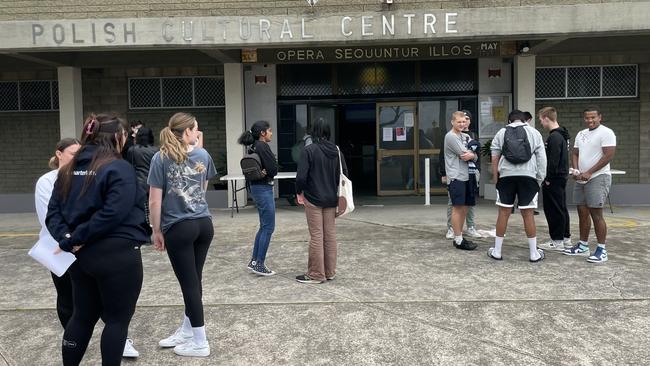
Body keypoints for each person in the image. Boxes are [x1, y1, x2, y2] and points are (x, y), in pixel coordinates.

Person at [46, 114, 149, 365]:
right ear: (118, 137)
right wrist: (77, 238)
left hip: (81, 256)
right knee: (116, 319)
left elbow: (53, 213)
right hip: (116, 252)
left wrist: (68, 240)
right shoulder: (118, 166)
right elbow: (114, 211)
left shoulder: (69, 168)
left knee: (82, 316)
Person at [148, 112, 217, 357]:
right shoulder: (203, 154)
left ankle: (200, 341)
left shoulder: (161, 158)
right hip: (203, 223)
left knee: (189, 283)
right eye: (195, 129)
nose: (198, 133)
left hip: (179, 226)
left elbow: (155, 201)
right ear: (186, 131)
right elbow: (203, 188)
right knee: (194, 280)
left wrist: (156, 230)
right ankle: (188, 331)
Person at [488, 110, 547, 262]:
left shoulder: (501, 133)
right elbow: (542, 159)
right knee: (528, 214)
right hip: (528, 177)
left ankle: (497, 251)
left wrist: (496, 178)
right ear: (525, 121)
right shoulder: (534, 133)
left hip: (506, 177)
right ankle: (534, 254)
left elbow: (494, 158)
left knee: (503, 213)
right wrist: (538, 179)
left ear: (509, 121)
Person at [294, 119, 348, 284]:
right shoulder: (337, 151)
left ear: (313, 131)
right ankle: (330, 272)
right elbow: (344, 172)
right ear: (328, 131)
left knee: (316, 236)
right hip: (331, 199)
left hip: (313, 198)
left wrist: (298, 193)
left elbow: (301, 177)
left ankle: (316, 274)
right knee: (330, 236)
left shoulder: (308, 150)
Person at [35, 138, 80, 328]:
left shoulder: (85, 177)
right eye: (72, 154)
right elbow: (49, 216)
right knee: (66, 296)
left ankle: (121, 337)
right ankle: (70, 337)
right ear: (59, 154)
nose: (77, 158)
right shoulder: (47, 181)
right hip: (59, 247)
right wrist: (71, 239)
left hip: (85, 244)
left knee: (101, 294)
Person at [563, 106, 616, 263]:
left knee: (596, 213)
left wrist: (590, 172)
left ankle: (601, 249)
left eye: (593, 117)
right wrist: (576, 170)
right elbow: (575, 153)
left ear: (600, 117)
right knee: (582, 212)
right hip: (581, 178)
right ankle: (583, 245)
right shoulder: (581, 134)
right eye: (587, 118)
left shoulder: (606, 133)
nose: (590, 120)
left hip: (598, 177)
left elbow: (608, 155)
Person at [238, 120, 278, 276]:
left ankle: (254, 261)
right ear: (263, 133)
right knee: (268, 227)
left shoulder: (253, 146)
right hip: (263, 189)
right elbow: (273, 169)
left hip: (255, 187)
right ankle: (259, 264)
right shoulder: (263, 146)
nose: (271, 133)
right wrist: (270, 168)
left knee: (263, 226)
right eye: (270, 130)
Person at [441, 110, 481, 239]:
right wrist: (473, 154)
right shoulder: (451, 136)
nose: (462, 124)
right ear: (452, 122)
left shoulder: (465, 136)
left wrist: (473, 155)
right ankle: (456, 236)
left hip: (468, 176)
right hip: (456, 176)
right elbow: (464, 154)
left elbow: (475, 155)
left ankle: (461, 232)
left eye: (464, 121)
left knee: (465, 207)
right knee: (456, 207)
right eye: (459, 121)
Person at [538, 107, 572, 251]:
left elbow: (553, 160)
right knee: (561, 208)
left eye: (541, 120)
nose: (541, 123)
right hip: (560, 177)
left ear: (546, 118)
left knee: (553, 209)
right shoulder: (562, 135)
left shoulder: (555, 137)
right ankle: (565, 238)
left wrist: (548, 178)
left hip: (554, 178)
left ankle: (557, 240)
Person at [127, 127, 159, 226]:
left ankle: (145, 228)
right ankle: (155, 226)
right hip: (154, 183)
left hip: (139, 183)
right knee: (154, 206)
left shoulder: (132, 150)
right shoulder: (157, 151)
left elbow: (130, 167)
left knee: (142, 208)